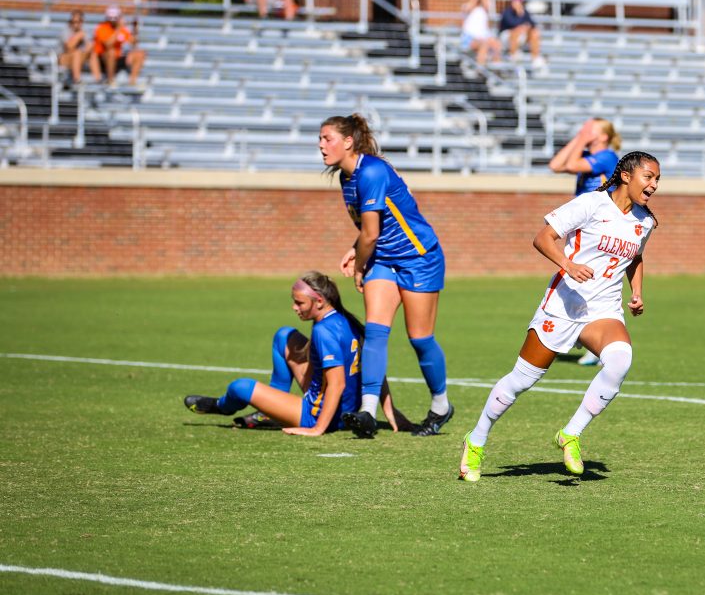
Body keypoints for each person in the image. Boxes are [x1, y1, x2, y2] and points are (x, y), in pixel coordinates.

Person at [458, 152, 661, 482]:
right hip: (564, 305)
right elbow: (543, 238)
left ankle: (571, 433)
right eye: (648, 177)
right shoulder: (591, 204)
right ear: (626, 176)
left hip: (603, 310)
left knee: (621, 359)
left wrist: (637, 292)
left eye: (657, 180)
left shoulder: (645, 221)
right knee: (521, 380)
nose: (653, 185)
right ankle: (476, 439)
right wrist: (568, 265)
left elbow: (635, 257)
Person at [320, 114, 452, 439]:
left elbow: (371, 234)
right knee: (377, 332)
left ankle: (441, 405)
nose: (321, 146)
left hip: (419, 258)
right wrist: (357, 249)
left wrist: (361, 260)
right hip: (384, 259)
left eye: (327, 139)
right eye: (320, 140)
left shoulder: (373, 171)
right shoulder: (345, 177)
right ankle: (367, 411)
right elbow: (370, 230)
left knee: (420, 339)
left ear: (348, 142)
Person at [182, 272, 405, 435]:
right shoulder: (345, 319)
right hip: (340, 404)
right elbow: (374, 369)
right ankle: (270, 412)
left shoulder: (323, 331)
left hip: (321, 413)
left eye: (299, 303)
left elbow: (337, 385)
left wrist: (318, 429)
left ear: (319, 302)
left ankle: (221, 406)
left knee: (240, 387)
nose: (294, 307)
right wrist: (389, 409)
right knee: (284, 335)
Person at [548, 117, 622, 365]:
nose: (586, 131)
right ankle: (585, 335)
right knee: (579, 278)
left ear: (603, 136)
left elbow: (569, 165)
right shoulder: (591, 151)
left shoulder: (608, 157)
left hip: (598, 224)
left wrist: (581, 138)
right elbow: (555, 165)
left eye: (592, 129)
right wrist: (580, 137)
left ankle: (598, 340)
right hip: (583, 223)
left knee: (591, 280)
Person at [88, 5, 145, 86]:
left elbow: (134, 43)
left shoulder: (122, 29)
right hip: (103, 60)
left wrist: (134, 29)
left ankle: (132, 81)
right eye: (111, 18)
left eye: (115, 18)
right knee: (111, 52)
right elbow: (108, 44)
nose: (113, 20)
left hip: (117, 58)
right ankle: (110, 80)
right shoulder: (102, 28)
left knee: (140, 53)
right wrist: (119, 29)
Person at [499, 0, 546, 70]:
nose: (517, 2)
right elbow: (512, 24)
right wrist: (521, 20)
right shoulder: (507, 12)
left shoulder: (525, 12)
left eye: (519, 0)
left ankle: (535, 58)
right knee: (516, 30)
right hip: (507, 37)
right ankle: (513, 54)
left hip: (521, 36)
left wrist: (525, 26)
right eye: (515, 0)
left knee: (534, 32)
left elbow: (533, 24)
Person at [460, 0, 501, 69]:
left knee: (496, 44)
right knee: (484, 44)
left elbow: (487, 5)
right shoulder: (466, 6)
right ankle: (480, 69)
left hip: (483, 38)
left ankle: (496, 68)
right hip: (469, 38)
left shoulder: (484, 10)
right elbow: (469, 7)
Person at [59, 10, 87, 85]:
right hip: (64, 59)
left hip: (78, 59)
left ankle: (98, 80)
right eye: (73, 21)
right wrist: (78, 36)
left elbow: (89, 48)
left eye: (78, 22)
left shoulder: (84, 32)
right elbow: (68, 48)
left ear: (82, 22)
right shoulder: (66, 31)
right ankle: (77, 79)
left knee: (93, 54)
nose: (75, 24)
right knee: (77, 53)